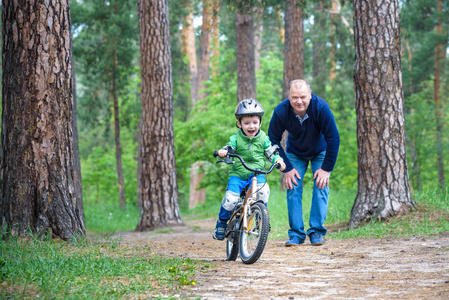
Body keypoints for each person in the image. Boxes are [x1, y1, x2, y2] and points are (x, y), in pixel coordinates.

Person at [268, 79, 340, 246]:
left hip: (320, 151)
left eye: (303, 97)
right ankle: (296, 234)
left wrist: (326, 169)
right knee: (292, 186)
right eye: (294, 97)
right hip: (295, 153)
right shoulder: (281, 111)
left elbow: (333, 139)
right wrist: (286, 168)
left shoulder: (321, 108)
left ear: (310, 95)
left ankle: (316, 232)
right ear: (289, 97)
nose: (299, 101)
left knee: (321, 185)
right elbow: (272, 141)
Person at [213, 98, 286, 240]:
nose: (251, 126)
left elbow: (270, 152)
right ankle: (221, 222)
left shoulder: (263, 138)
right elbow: (229, 147)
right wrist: (224, 151)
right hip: (238, 175)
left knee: (264, 192)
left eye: (254, 122)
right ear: (239, 124)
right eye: (246, 123)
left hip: (257, 174)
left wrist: (278, 160)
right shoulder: (236, 138)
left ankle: (260, 219)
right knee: (231, 199)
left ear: (260, 123)